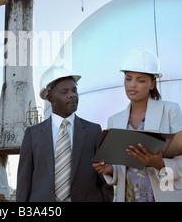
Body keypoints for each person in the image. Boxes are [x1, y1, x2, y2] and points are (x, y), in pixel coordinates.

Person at [93, 48, 182, 202]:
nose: (132, 85)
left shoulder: (170, 111)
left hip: (165, 196)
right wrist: (110, 169)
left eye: (140, 80)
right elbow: (123, 166)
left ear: (152, 84)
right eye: (128, 79)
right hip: (129, 197)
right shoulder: (114, 120)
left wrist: (160, 164)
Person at [16, 68, 113, 202]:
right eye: (64, 92)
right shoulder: (33, 135)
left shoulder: (93, 131)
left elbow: (104, 180)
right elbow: (24, 182)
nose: (72, 95)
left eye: (74, 90)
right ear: (50, 98)